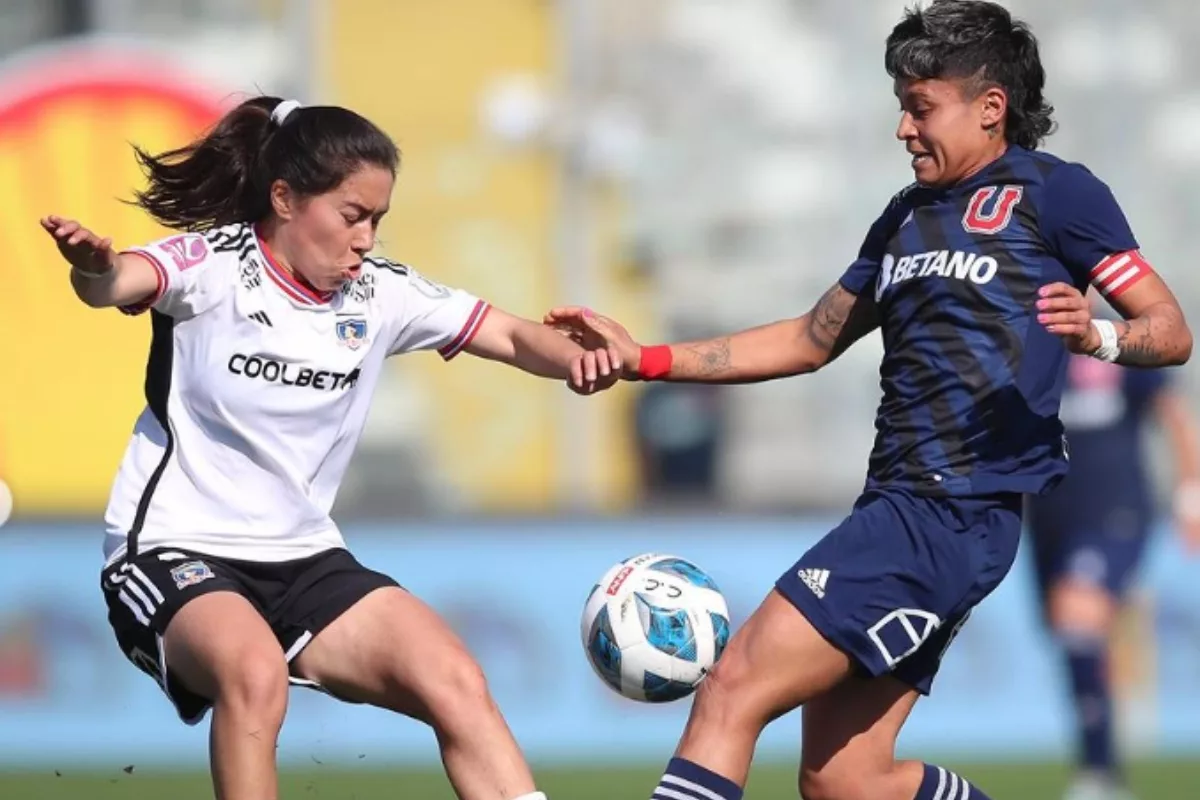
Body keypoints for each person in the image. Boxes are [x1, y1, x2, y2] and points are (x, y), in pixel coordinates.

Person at [545, 3, 1193, 799]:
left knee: (732, 689)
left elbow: (1167, 327)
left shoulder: (1059, 195)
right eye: (900, 106)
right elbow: (810, 340)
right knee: (847, 781)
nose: (902, 128)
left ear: (990, 109)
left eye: (921, 108)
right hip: (905, 508)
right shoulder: (905, 218)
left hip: (947, 514)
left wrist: (1099, 337)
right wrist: (645, 357)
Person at [42, 95, 618, 800]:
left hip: (304, 558)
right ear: (284, 199)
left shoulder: (379, 294)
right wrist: (93, 267)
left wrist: (595, 359)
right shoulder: (213, 265)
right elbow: (117, 282)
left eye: (377, 220)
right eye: (353, 216)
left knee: (455, 680)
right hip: (170, 549)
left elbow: (509, 333)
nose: (367, 239)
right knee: (252, 672)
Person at [1026, 338, 1200, 800]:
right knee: (1069, 635)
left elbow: (1171, 410)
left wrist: (1190, 494)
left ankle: (1100, 775)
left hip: (1114, 512)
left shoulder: (1118, 341)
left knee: (1078, 615)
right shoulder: (1027, 344)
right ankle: (1098, 761)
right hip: (1047, 516)